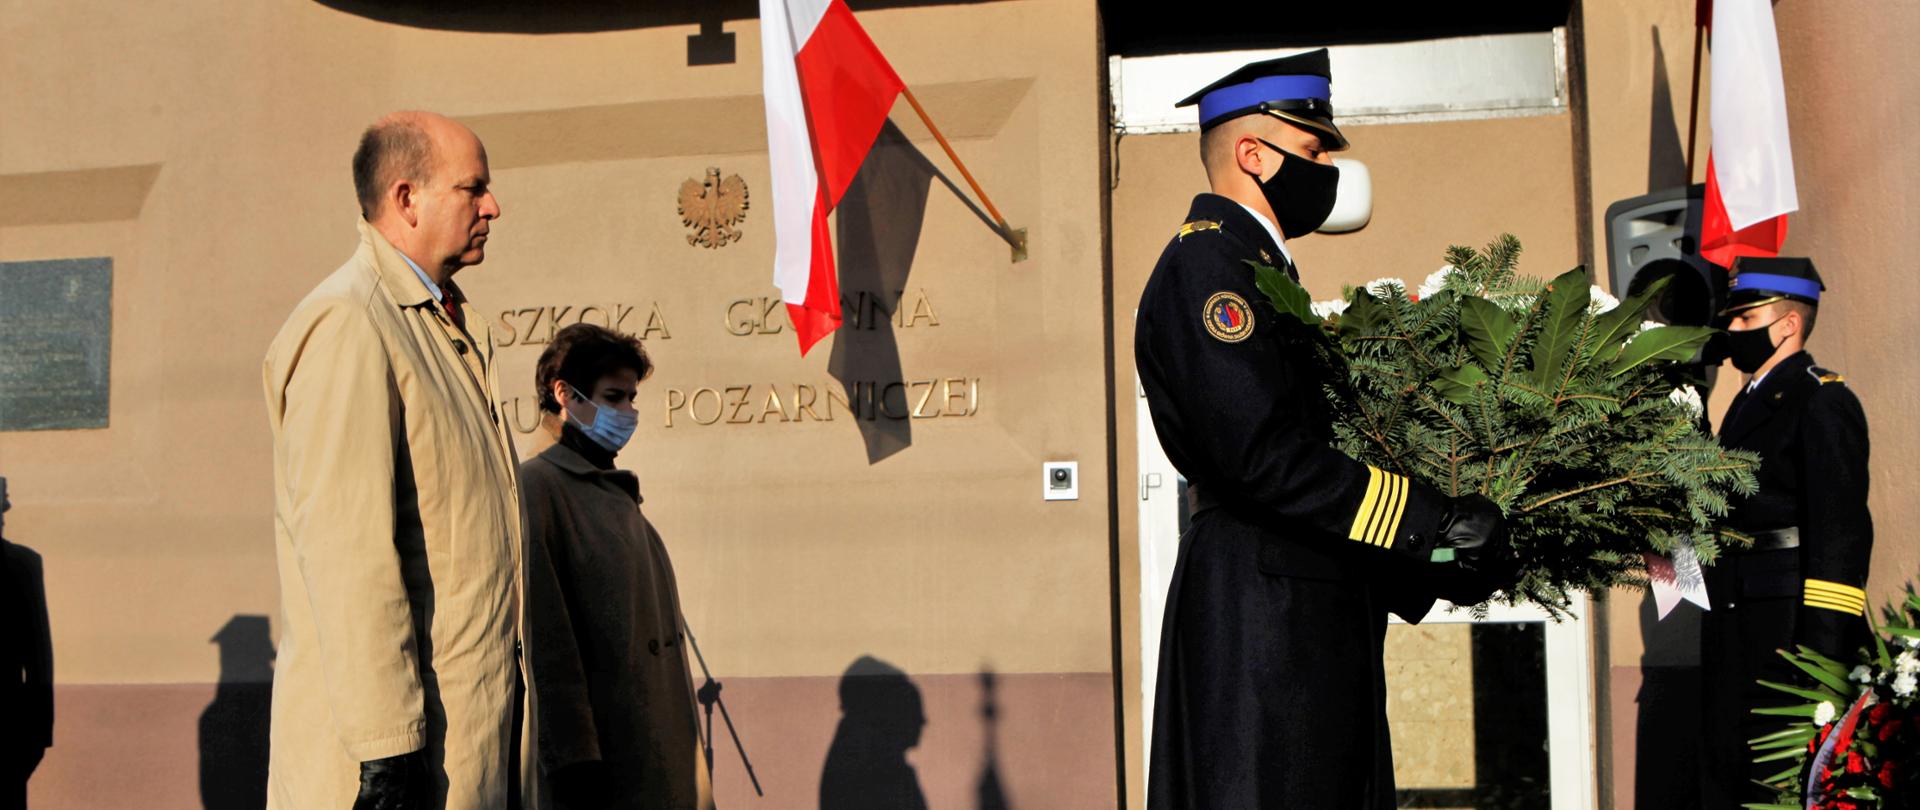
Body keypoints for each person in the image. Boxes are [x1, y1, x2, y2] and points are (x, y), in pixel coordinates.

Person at [1134, 50, 1516, 809]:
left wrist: (1435, 556)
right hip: (1264, 615)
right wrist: (1427, 519)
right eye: (1313, 151)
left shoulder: (1250, 266)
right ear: (1253, 154)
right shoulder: (1212, 267)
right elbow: (1264, 458)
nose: (1330, 168)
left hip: (1293, 602)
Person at [262, 111, 526, 810]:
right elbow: (347, 553)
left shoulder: (443, 329)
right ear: (406, 199)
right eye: (474, 189)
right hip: (396, 772)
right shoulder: (352, 323)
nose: (493, 206)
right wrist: (389, 756)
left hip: (465, 755)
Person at [1699, 257, 1872, 809]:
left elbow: (1839, 534)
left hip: (1788, 623)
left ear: (1788, 325)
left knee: (1778, 777)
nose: (1734, 333)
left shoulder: (1822, 400)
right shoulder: (1748, 402)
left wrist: (1824, 661)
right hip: (1739, 611)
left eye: (1747, 321)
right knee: (1734, 768)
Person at [521, 323, 710, 809]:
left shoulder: (607, 487)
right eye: (612, 396)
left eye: (630, 398)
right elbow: (547, 638)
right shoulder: (540, 489)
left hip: (651, 745)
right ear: (564, 393)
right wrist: (574, 760)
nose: (627, 412)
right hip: (608, 761)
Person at [1, 478, 53, 810]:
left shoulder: (22, 564)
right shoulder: (23, 564)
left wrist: (39, 734)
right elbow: (39, 656)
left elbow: (39, 656)